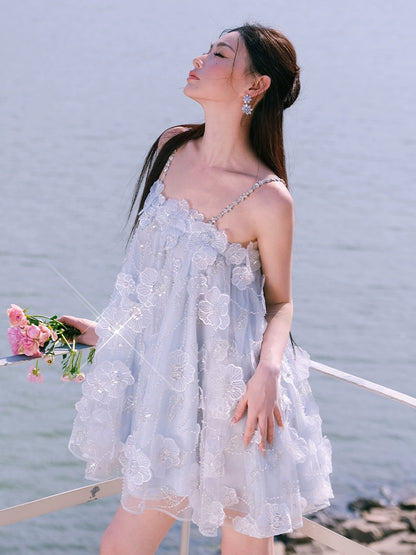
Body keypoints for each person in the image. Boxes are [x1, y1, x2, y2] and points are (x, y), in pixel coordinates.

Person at [61, 23, 333, 555]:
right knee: (119, 548)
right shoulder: (173, 148)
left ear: (255, 84)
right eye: (209, 50)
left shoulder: (269, 198)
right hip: (169, 394)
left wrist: (268, 372)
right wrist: (108, 331)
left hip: (242, 395)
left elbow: (280, 302)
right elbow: (155, 278)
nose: (199, 59)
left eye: (219, 54)